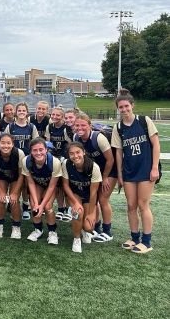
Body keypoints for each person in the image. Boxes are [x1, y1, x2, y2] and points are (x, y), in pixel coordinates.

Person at [111, 89, 160, 254]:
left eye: (126, 106)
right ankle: (134, 238)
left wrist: (154, 168)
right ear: (118, 109)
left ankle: (146, 241)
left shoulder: (144, 121)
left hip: (145, 170)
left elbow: (156, 145)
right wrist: (119, 174)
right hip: (129, 172)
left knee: (142, 204)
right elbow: (118, 153)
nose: (124, 109)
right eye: (121, 107)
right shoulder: (118, 128)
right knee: (131, 205)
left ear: (132, 105)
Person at [73, 113, 116, 242]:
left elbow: (110, 159)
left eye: (83, 125)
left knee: (103, 200)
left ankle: (107, 231)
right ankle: (96, 227)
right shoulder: (76, 137)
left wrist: (105, 177)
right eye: (77, 125)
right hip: (94, 174)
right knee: (94, 200)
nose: (80, 128)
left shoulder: (98, 138)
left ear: (90, 126)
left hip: (109, 172)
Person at [62, 142, 101, 253]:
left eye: (78, 152)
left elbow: (94, 193)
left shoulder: (93, 167)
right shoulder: (66, 164)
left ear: (83, 152)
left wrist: (92, 213)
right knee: (78, 212)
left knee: (89, 227)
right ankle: (76, 238)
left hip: (89, 196)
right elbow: (65, 185)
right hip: (75, 194)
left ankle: (85, 230)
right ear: (68, 155)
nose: (75, 156)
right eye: (72, 153)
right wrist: (75, 202)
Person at [22, 138, 62, 244]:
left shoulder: (55, 162)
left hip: (51, 186)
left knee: (48, 206)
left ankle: (52, 232)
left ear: (46, 150)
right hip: (37, 184)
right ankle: (38, 229)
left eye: (41, 149)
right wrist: (36, 203)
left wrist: (42, 205)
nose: (38, 152)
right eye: (35, 150)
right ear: (30, 151)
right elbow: (30, 182)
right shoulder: (26, 161)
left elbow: (52, 186)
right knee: (34, 205)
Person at [4, 102, 38, 220]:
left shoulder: (31, 127)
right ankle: (11, 203)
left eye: (24, 110)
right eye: (19, 111)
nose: (21, 112)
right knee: (11, 182)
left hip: (27, 160)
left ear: (27, 112)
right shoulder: (11, 127)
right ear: (15, 112)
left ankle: (25, 206)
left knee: (25, 184)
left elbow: (36, 143)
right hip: (13, 159)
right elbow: (5, 141)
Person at [0, 133, 25, 239]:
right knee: (0, 199)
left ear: (13, 144)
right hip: (1, 177)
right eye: (3, 143)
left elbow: (21, 174)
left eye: (8, 143)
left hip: (16, 177)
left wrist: (14, 193)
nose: (6, 146)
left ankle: (16, 226)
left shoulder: (19, 153)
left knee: (14, 200)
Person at [45, 106, 72, 222]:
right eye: (53, 114)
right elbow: (48, 143)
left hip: (65, 159)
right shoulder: (49, 127)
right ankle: (61, 208)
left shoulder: (66, 128)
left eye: (58, 115)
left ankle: (69, 209)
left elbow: (71, 144)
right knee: (58, 185)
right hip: (55, 159)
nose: (55, 117)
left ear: (62, 117)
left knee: (67, 184)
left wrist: (65, 158)